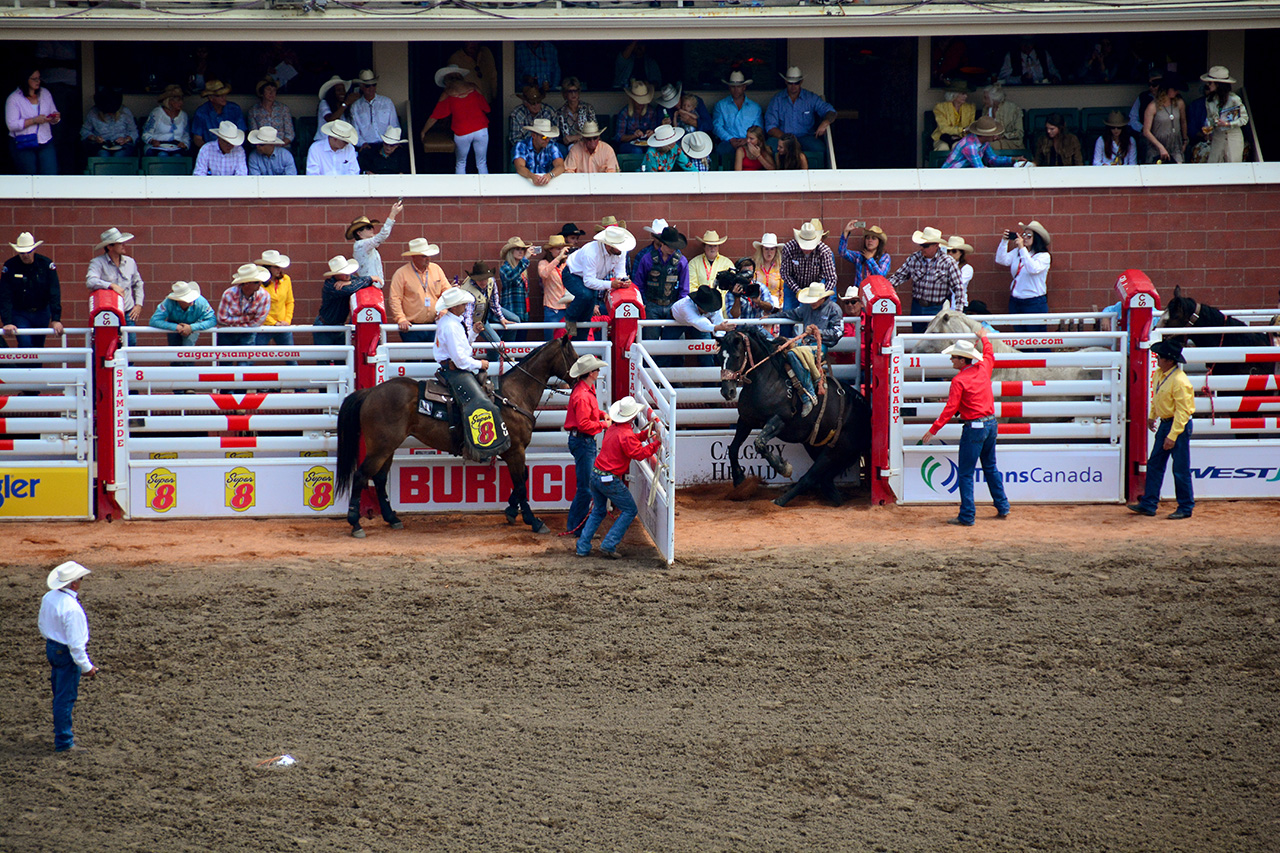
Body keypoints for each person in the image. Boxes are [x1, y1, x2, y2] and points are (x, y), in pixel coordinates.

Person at [920, 326, 1011, 526]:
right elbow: (989, 354)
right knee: (990, 467)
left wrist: (933, 429)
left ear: (962, 359)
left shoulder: (959, 380)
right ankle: (1002, 505)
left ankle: (968, 515)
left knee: (966, 473)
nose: (951, 359)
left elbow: (950, 408)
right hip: (990, 424)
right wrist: (985, 338)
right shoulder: (983, 368)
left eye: (954, 357)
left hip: (975, 428)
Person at [575, 395, 662, 560]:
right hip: (609, 479)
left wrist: (645, 436)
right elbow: (638, 453)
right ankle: (608, 544)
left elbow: (630, 442)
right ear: (632, 416)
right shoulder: (626, 435)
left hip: (596, 474)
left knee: (598, 510)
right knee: (630, 510)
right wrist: (656, 443)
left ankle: (583, 546)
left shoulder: (614, 429)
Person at [1128, 339, 1195, 520]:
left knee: (1179, 468)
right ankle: (1149, 503)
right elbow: (1157, 396)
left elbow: (1183, 412)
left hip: (1175, 425)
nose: (1158, 359)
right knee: (1156, 464)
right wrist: (1153, 415)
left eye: (1161, 357)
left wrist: (1172, 435)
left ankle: (1185, 506)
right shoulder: (1162, 375)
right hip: (1168, 422)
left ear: (1169, 360)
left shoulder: (1179, 381)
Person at [39, 561, 98, 752]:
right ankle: (64, 742)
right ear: (74, 584)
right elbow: (76, 646)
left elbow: (42, 624)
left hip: (52, 647)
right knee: (65, 697)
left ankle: (63, 734)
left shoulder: (49, 597)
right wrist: (87, 667)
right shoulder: (72, 608)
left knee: (59, 693)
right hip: (64, 652)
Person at [765, 282, 844, 416]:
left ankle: (808, 394)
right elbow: (790, 314)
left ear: (822, 298)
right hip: (806, 345)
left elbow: (838, 333)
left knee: (792, 354)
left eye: (814, 300)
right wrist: (770, 317)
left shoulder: (834, 309)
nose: (812, 303)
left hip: (820, 346)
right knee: (786, 353)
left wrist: (818, 332)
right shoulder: (807, 309)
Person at [563, 354, 610, 536]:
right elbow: (584, 424)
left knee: (585, 486)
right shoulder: (584, 394)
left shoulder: (583, 390)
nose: (598, 372)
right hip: (583, 440)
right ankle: (578, 528)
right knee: (586, 488)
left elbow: (586, 417)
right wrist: (604, 423)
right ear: (591, 373)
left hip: (581, 440)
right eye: (597, 369)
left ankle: (577, 526)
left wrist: (600, 414)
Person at [564, 225, 634, 337]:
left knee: (589, 308)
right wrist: (611, 284)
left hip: (591, 277)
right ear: (608, 244)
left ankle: (581, 338)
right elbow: (588, 281)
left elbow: (620, 272)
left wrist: (623, 280)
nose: (620, 249)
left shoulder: (620, 252)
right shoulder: (591, 252)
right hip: (572, 273)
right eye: (618, 246)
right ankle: (570, 319)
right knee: (585, 295)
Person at [888, 226, 964, 327]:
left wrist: (958, 312)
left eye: (926, 245)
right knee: (917, 336)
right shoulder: (914, 258)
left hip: (937, 307)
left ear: (936, 245)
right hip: (917, 306)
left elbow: (958, 288)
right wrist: (883, 288)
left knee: (935, 339)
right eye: (921, 245)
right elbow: (898, 277)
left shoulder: (948, 262)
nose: (922, 248)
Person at [423, 65, 490, 175]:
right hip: (481, 129)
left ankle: (461, 191)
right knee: (482, 163)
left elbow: (434, 117)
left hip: (462, 132)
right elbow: (486, 108)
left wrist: (423, 131)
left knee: (461, 163)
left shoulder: (446, 94)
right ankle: (486, 191)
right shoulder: (473, 87)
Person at [2, 232, 63, 348]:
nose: (25, 255)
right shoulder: (10, 266)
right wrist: (7, 322)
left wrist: (56, 319)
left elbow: (54, 292)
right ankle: (26, 366)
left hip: (41, 312)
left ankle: (35, 367)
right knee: (26, 344)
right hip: (20, 313)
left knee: (38, 347)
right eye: (22, 253)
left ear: (34, 250)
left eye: (28, 252)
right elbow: (5, 295)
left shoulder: (46, 265)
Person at [764, 66, 835, 160]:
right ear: (785, 82)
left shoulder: (810, 97)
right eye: (790, 83)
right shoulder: (777, 99)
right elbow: (770, 127)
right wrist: (787, 140)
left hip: (805, 137)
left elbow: (831, 111)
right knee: (769, 147)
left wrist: (825, 122)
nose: (793, 86)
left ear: (801, 82)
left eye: (796, 83)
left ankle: (814, 174)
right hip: (783, 137)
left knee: (819, 148)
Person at [389, 237, 450, 343]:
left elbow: (447, 292)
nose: (428, 259)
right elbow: (395, 298)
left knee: (434, 357)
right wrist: (401, 318)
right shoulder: (401, 274)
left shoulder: (436, 269)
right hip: (412, 327)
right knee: (414, 358)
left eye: (428, 256)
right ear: (414, 257)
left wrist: (444, 310)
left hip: (434, 324)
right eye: (424, 256)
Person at [995, 221, 1052, 331]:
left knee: (1037, 339)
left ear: (1037, 238)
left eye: (1029, 235)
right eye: (1024, 234)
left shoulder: (1044, 256)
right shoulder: (1018, 252)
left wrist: (1022, 248)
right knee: (1021, 338)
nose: (1025, 238)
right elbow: (1001, 260)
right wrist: (1004, 242)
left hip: (1034, 302)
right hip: (1016, 301)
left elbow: (1033, 269)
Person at [6, 66, 61, 175]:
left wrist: (55, 118)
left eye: (39, 78)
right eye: (34, 79)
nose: (38, 81)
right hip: (24, 141)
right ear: (25, 80)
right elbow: (11, 125)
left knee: (50, 174)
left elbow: (54, 111)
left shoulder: (45, 93)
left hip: (45, 140)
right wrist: (34, 120)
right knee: (29, 176)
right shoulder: (14, 98)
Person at [87, 227, 144, 329]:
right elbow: (90, 281)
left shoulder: (130, 262)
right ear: (110, 246)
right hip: (108, 313)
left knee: (131, 342)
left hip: (128, 311)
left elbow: (138, 284)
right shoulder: (97, 262)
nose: (123, 245)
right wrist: (111, 286)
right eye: (120, 243)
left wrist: (138, 305)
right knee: (106, 342)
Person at [313, 255, 372, 347]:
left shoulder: (348, 280)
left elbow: (360, 281)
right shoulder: (329, 285)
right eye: (344, 272)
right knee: (324, 358)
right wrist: (369, 279)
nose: (348, 274)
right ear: (336, 275)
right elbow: (351, 289)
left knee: (341, 358)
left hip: (338, 326)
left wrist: (349, 283)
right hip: (325, 326)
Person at [779, 219, 838, 311]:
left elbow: (831, 278)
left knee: (818, 314)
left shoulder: (824, 251)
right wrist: (798, 291)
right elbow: (785, 274)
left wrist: (822, 295)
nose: (807, 249)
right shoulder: (789, 248)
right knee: (788, 312)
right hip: (793, 286)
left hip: (816, 286)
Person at [673, 285, 733, 367]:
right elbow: (698, 322)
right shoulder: (685, 306)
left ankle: (709, 376)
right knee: (666, 349)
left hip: (702, 326)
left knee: (707, 350)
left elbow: (718, 321)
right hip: (676, 322)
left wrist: (719, 339)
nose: (709, 310)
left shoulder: (714, 304)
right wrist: (717, 327)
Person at [1201, 66, 1249, 163]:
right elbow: (1210, 119)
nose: (1208, 85)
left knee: (1233, 166)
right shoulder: (1209, 100)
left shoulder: (1234, 99)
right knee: (1214, 164)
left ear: (1218, 84)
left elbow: (1244, 119)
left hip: (1233, 136)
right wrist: (1209, 128)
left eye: (1210, 83)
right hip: (1218, 136)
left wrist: (1228, 124)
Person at [349, 199, 403, 286]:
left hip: (372, 287)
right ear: (359, 233)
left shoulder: (365, 245)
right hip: (369, 288)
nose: (371, 229)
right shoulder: (361, 245)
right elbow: (382, 236)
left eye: (371, 227)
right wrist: (392, 214)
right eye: (368, 227)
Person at [712, 70, 764, 160]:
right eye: (733, 87)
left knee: (758, 150)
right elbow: (717, 126)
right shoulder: (721, 105)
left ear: (744, 87)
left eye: (738, 87)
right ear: (729, 87)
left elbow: (758, 129)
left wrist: (747, 140)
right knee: (722, 150)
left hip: (750, 141)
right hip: (728, 142)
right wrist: (731, 139)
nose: (735, 90)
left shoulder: (755, 107)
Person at [217, 264, 271, 346]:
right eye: (256, 282)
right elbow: (221, 318)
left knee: (247, 358)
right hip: (227, 333)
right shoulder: (228, 294)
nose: (260, 284)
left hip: (247, 333)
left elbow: (259, 321)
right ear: (246, 284)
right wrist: (247, 318)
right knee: (225, 358)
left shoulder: (264, 296)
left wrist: (235, 323)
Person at [149, 280, 216, 346]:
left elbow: (212, 320)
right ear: (178, 300)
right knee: (174, 348)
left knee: (188, 349)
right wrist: (176, 327)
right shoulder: (168, 302)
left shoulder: (201, 302)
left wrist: (192, 327)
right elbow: (154, 320)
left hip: (194, 323)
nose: (191, 300)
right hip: (174, 324)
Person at [943, 116, 1025, 168]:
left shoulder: (984, 142)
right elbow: (980, 169)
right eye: (993, 134)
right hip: (950, 176)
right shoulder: (970, 146)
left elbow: (993, 159)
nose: (996, 136)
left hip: (962, 173)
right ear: (984, 135)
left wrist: (1015, 159)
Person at [348, 69, 399, 151]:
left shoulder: (386, 102)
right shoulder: (355, 107)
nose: (371, 88)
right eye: (367, 86)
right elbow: (355, 131)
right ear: (361, 86)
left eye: (374, 85)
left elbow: (394, 125)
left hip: (386, 145)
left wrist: (391, 144)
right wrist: (362, 143)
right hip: (367, 146)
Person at [1143, 75, 1188, 164]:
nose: (1177, 92)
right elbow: (1146, 131)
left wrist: (1185, 140)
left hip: (1175, 145)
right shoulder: (1152, 107)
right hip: (1156, 147)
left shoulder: (1179, 103)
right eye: (1174, 89)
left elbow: (1183, 122)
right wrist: (1161, 147)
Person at [190, 80, 245, 153]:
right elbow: (197, 138)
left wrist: (231, 148)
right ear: (210, 98)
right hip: (210, 151)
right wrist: (209, 150)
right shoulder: (201, 112)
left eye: (224, 94)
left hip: (233, 149)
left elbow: (241, 132)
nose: (223, 97)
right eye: (219, 96)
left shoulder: (234, 109)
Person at [79, 89, 137, 158]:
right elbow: (84, 131)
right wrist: (94, 138)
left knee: (119, 156)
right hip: (101, 146)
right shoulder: (93, 112)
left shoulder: (125, 112)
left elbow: (134, 131)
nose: (109, 114)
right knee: (103, 155)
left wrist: (126, 139)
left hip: (123, 145)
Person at [254, 250, 294, 346]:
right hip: (264, 326)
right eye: (276, 267)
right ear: (268, 268)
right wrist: (274, 323)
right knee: (252, 355)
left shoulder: (286, 279)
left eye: (280, 267)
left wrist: (287, 321)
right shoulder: (258, 283)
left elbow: (290, 302)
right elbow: (257, 307)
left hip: (282, 324)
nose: (279, 270)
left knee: (291, 357)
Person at [839, 222, 892, 291]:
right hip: (860, 294)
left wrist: (870, 259)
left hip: (876, 295)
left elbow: (880, 276)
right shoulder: (859, 256)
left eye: (874, 238)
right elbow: (842, 252)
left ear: (879, 242)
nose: (870, 240)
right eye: (868, 238)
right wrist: (846, 231)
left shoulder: (885, 257)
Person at [513, 117, 565, 186]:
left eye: (548, 137)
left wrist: (550, 175)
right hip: (524, 185)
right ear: (533, 135)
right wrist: (532, 176)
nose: (547, 140)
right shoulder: (522, 146)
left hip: (548, 186)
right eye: (544, 137)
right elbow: (519, 167)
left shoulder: (551, 146)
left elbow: (560, 166)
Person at [724, 256, 778, 321]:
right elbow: (734, 316)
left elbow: (770, 308)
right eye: (745, 273)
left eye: (750, 272)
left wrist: (759, 302)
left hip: (757, 328)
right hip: (738, 328)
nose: (748, 276)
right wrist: (737, 297)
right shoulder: (733, 291)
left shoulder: (760, 287)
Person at [142, 85, 191, 157]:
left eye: (181, 100)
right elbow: (146, 133)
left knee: (178, 156)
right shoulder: (157, 113)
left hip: (176, 148)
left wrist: (184, 144)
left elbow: (186, 135)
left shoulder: (183, 115)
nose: (181, 103)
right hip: (158, 147)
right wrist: (152, 141)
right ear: (169, 101)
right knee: (162, 155)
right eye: (178, 100)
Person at [688, 229, 733, 307]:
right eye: (709, 246)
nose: (713, 248)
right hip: (701, 306)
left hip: (722, 307)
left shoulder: (727, 263)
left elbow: (731, 286)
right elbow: (691, 286)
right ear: (704, 246)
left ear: (718, 247)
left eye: (715, 246)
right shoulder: (694, 263)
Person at [614, 80, 661, 155]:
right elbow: (619, 137)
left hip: (647, 143)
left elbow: (655, 131)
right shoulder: (624, 113)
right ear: (632, 100)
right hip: (628, 144)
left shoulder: (651, 111)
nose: (641, 104)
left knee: (653, 150)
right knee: (637, 151)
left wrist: (652, 133)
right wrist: (634, 136)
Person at [539, 234, 573, 336]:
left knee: (569, 338)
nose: (561, 251)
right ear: (550, 250)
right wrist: (558, 258)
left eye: (562, 249)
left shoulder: (567, 263)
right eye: (558, 249)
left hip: (568, 307)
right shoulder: (543, 263)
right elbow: (543, 274)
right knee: (551, 339)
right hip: (552, 307)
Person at [247, 77, 294, 148]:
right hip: (262, 148)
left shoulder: (283, 109)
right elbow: (254, 134)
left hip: (282, 147)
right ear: (262, 92)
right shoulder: (253, 111)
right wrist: (265, 148)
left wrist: (281, 145)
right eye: (268, 89)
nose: (271, 93)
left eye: (274, 90)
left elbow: (290, 134)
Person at [498, 237, 535, 326]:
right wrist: (525, 259)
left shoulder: (522, 270)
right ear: (510, 252)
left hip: (523, 312)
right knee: (510, 339)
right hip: (511, 311)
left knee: (521, 339)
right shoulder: (505, 268)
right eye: (517, 249)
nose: (521, 252)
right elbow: (511, 277)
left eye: (522, 249)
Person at [932, 81, 976, 151]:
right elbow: (944, 129)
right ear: (954, 94)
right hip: (943, 138)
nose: (966, 96)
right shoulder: (940, 108)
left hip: (962, 138)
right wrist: (962, 130)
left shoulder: (970, 108)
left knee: (958, 146)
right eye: (963, 94)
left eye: (966, 94)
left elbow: (971, 128)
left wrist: (960, 134)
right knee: (943, 147)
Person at [977, 84, 1023, 150]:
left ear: (994, 99)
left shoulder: (1013, 109)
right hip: (990, 141)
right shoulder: (986, 109)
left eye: (985, 98)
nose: (983, 101)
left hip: (1010, 142)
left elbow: (1019, 133)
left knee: (989, 146)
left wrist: (1002, 136)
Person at [556, 77, 596, 147]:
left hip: (588, 143)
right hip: (569, 146)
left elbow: (594, 131)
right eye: (570, 91)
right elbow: (566, 138)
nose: (573, 94)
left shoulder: (588, 108)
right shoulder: (560, 113)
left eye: (575, 91)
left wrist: (575, 137)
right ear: (565, 94)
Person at [315, 76, 357, 140]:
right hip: (323, 141)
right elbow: (330, 120)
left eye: (343, 90)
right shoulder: (324, 103)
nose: (342, 93)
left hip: (340, 142)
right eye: (338, 90)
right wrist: (346, 103)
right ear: (332, 92)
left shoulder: (344, 107)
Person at [752, 232, 784, 307]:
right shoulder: (754, 267)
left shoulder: (780, 268)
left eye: (772, 249)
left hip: (775, 306)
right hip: (757, 305)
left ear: (776, 251)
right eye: (766, 249)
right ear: (761, 250)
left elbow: (783, 289)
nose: (769, 253)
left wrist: (781, 305)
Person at [944, 236, 974, 310]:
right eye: (948, 251)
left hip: (958, 305)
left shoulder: (967, 268)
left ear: (961, 253)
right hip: (944, 305)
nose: (950, 253)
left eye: (954, 251)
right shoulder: (942, 265)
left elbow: (957, 283)